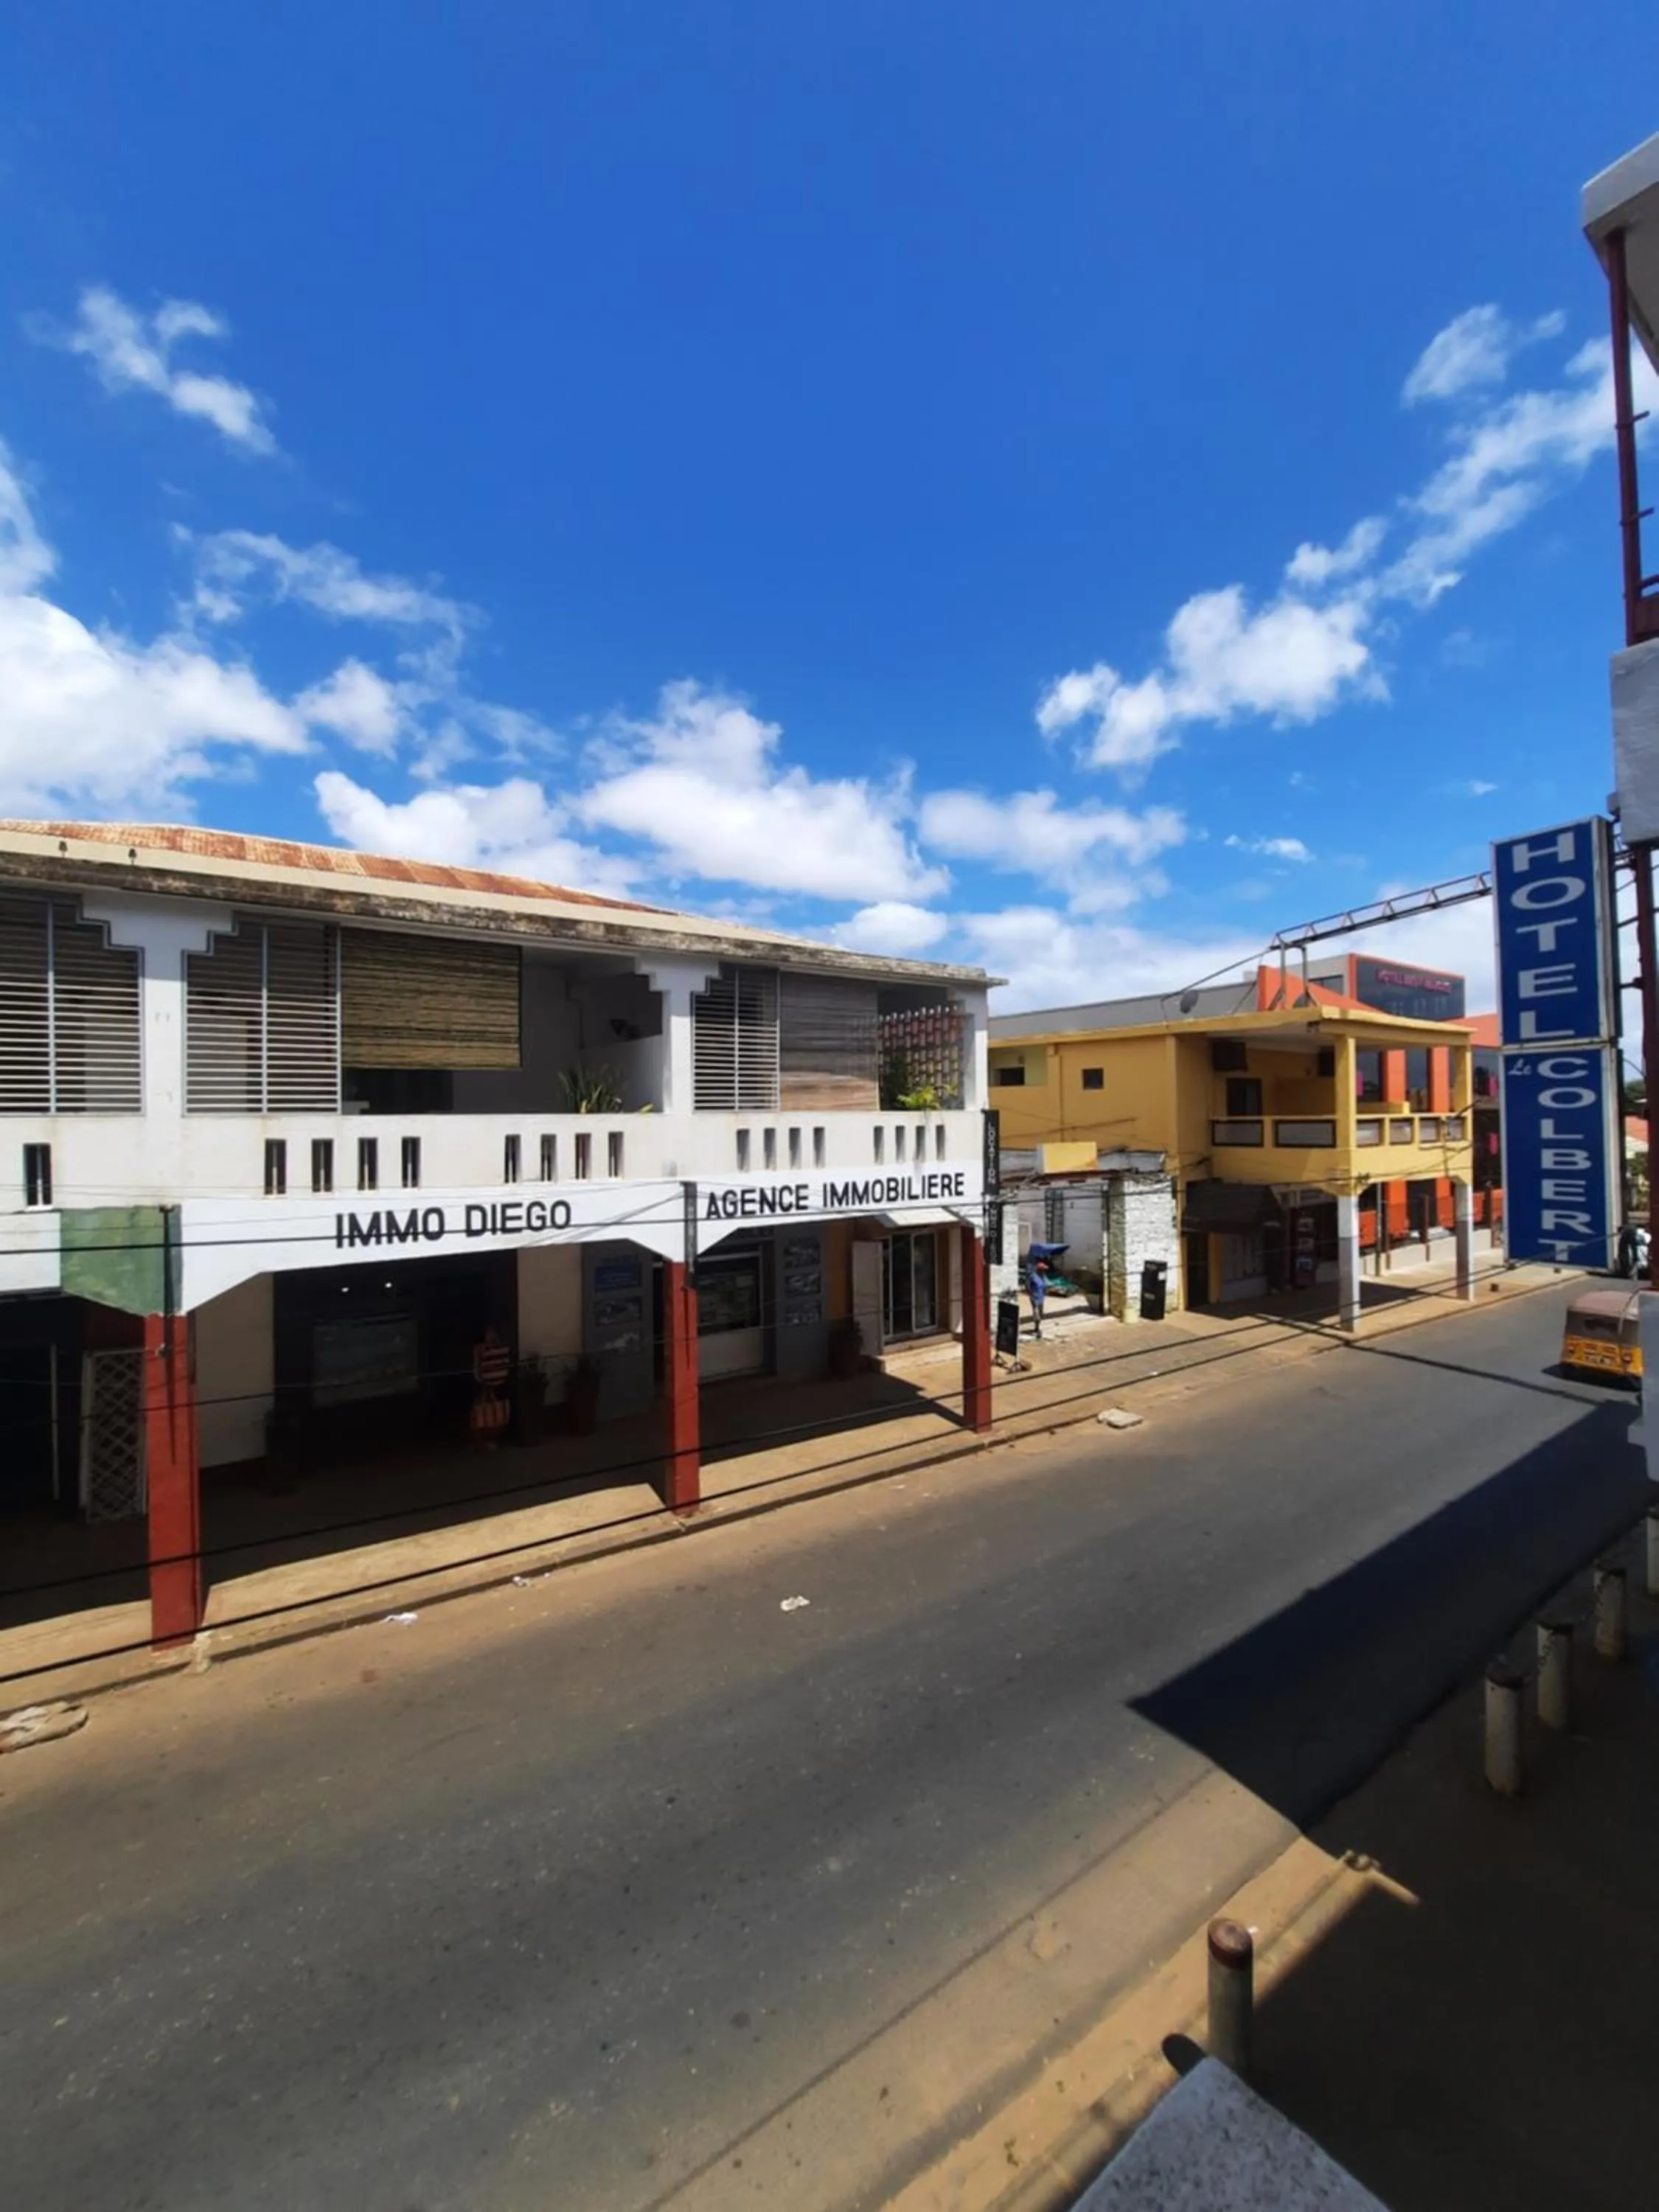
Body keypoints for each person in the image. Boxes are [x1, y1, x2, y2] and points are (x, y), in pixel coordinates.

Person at [1027, 1254, 1049, 1339]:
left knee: (1041, 1314)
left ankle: (1037, 1327)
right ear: (1039, 1270)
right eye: (1043, 1270)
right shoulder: (1033, 1277)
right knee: (1037, 1314)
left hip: (1041, 1298)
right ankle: (1038, 1330)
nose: (1044, 1272)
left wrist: (1046, 1292)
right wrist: (1031, 1294)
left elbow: (1046, 1286)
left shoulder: (1043, 1278)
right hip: (1034, 1298)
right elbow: (1028, 1286)